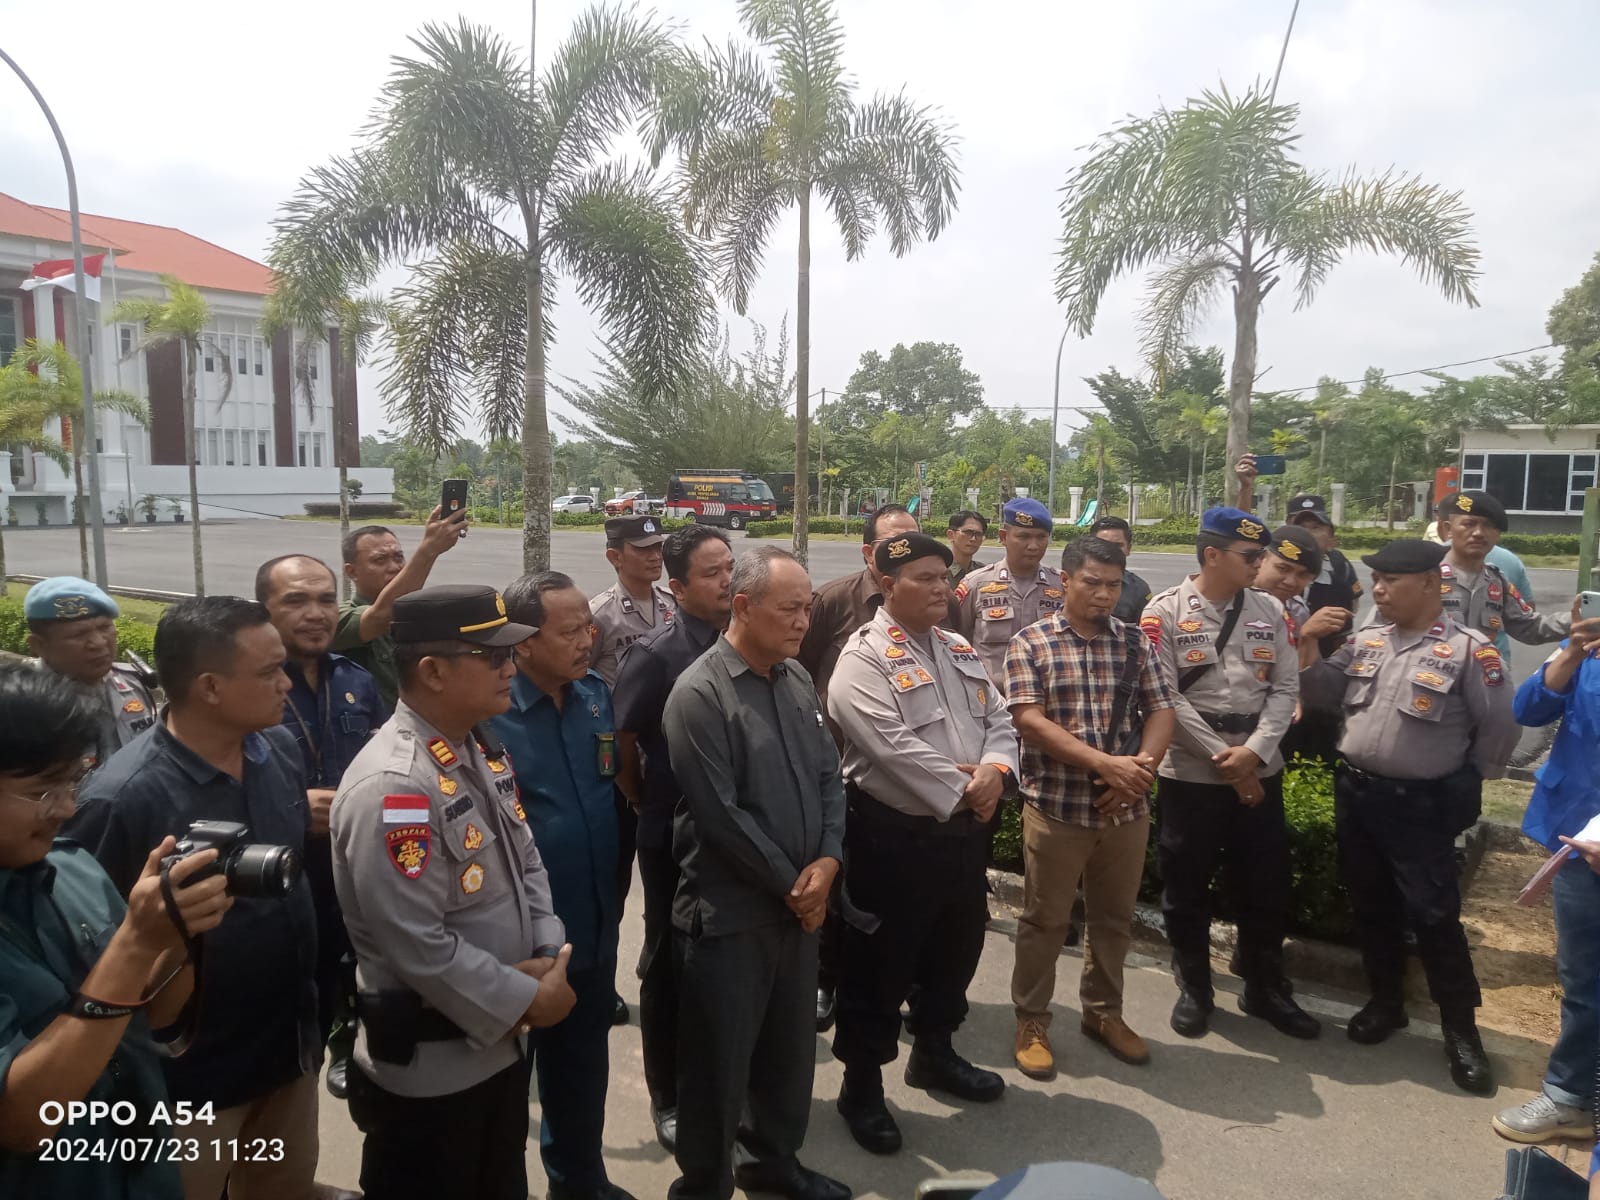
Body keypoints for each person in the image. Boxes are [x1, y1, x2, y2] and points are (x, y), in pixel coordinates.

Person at [66, 597, 325, 1200]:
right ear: (210, 686)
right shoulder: (121, 798)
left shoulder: (278, 749)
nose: (287, 684)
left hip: (287, 1053)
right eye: (270, 672)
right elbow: (84, 949)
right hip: (186, 1085)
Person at [330, 584, 577, 1200]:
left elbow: (526, 860)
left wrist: (547, 952)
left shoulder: (475, 746)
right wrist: (528, 997)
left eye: (509, 653)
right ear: (432, 671)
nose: (509, 668)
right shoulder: (396, 786)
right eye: (491, 657)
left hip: (498, 1048)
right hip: (433, 1072)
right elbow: (417, 944)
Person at [0, 664, 233, 1200]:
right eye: (41, 791)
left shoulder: (73, 868)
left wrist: (177, 933)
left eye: (71, 781)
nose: (65, 808)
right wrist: (135, 943)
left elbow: (157, 1015)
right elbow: (22, 1121)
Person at [1299, 539, 1519, 1094]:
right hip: (1358, 794)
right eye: (1375, 580)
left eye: (1390, 581)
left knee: (1434, 916)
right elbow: (1321, 692)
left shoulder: (1470, 650)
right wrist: (1306, 643)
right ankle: (1385, 1002)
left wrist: (1467, 782)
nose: (1378, 590)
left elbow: (1499, 727)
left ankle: (1461, 1031)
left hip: (1420, 806)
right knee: (1371, 905)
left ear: (1429, 583)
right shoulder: (1367, 639)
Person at [665, 546, 849, 1200]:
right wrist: (796, 887)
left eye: (808, 609)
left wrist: (828, 861)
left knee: (787, 1054)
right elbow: (722, 818)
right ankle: (704, 1184)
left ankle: (772, 1163)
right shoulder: (700, 694)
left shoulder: (795, 678)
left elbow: (829, 776)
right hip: (732, 918)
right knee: (718, 1068)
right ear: (742, 607)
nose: (802, 622)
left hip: (800, 908)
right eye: (789, 609)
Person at [825, 532, 1017, 1155]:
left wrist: (997, 771)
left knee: (954, 950)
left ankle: (935, 1052)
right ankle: (861, 1087)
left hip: (962, 838)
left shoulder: (957, 646)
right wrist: (969, 789)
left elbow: (1000, 718)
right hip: (894, 841)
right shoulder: (862, 659)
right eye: (926, 578)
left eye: (946, 577)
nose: (943, 589)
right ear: (888, 585)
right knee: (880, 964)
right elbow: (889, 747)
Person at [1140, 507, 1319, 1041]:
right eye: (1251, 555)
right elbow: (1165, 696)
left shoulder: (1270, 609)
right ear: (1212, 555)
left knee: (1264, 884)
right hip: (1191, 772)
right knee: (1186, 884)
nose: (1261, 563)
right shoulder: (1164, 612)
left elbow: (1285, 688)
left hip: (1261, 766)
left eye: (1261, 554)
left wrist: (1255, 754)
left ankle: (1264, 986)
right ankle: (1195, 987)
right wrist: (1227, 758)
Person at [1006, 536, 1176, 1080]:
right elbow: (1029, 721)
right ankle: (1032, 1020)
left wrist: (1139, 773)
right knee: (1045, 921)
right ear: (1065, 581)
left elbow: (1161, 710)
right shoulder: (1031, 642)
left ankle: (1103, 1012)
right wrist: (1107, 765)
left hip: (1125, 811)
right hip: (1057, 808)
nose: (1105, 595)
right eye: (1093, 583)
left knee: (1113, 920)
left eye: (1114, 585)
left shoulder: (1135, 642)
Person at [492, 572, 634, 1200]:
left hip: (593, 921)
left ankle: (579, 1182)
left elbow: (611, 785)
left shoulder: (596, 696)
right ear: (522, 642)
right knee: (501, 1082)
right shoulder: (488, 715)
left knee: (581, 1064)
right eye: (571, 631)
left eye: (589, 627)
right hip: (515, 937)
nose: (588, 640)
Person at [613, 525, 735, 1153]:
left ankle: (722, 1082)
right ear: (679, 589)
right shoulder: (658, 654)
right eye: (712, 573)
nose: (727, 581)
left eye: (731, 568)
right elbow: (622, 740)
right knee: (668, 962)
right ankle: (669, 1094)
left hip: (733, 835)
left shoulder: (743, 643)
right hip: (671, 834)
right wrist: (642, 799)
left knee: (722, 960)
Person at [256, 554, 384, 1100]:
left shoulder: (356, 679)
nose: (316, 613)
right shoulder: (251, 686)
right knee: (295, 967)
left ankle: (346, 1041)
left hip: (353, 855)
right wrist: (291, 809)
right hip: (279, 867)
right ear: (263, 609)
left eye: (326, 599)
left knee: (354, 953)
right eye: (296, 601)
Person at [797, 501, 919, 1031]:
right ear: (869, 552)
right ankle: (825, 978)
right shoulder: (833, 601)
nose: (907, 551)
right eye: (893, 543)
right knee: (834, 872)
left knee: (896, 883)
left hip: (908, 772)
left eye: (914, 539)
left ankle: (897, 981)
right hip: (838, 767)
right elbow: (798, 674)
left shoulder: (932, 599)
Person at [1492, 600, 1600, 1142]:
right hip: (1581, 839)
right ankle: (1570, 1098)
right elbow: (1528, 709)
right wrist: (1573, 652)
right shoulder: (1588, 648)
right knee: (1583, 978)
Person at [334, 510, 467, 712]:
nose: (395, 567)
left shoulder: (420, 619)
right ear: (351, 572)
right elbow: (380, 616)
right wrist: (429, 550)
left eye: (398, 557)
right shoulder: (339, 618)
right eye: (380, 560)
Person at [22, 576, 157, 770]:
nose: (99, 643)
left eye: (105, 627)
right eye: (79, 634)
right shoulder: (21, 704)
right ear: (38, 645)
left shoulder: (133, 682)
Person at [1251, 526, 1352, 762]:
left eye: (1303, 575)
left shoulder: (1296, 610)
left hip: (1281, 723)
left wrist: (1307, 637)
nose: (1290, 581)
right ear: (1262, 559)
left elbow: (1298, 674)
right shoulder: (1233, 601)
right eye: (1282, 568)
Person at [1435, 492, 1566, 662]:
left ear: (1497, 535)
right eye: (1469, 524)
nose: (1479, 533)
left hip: (1484, 674)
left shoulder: (1497, 581)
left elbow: (1529, 627)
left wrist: (1580, 619)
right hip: (1431, 675)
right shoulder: (1425, 575)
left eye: (1489, 526)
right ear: (1448, 529)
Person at [953, 497, 1064, 694]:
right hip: (991, 699)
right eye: (1024, 537)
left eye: (1041, 537)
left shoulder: (1062, 586)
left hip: (1046, 698)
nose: (1033, 546)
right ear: (1003, 537)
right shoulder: (976, 584)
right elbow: (955, 640)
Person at [590, 515, 678, 687]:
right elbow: (578, 676)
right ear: (615, 557)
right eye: (643, 549)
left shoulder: (673, 602)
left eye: (658, 548)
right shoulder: (600, 615)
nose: (655, 557)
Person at [1089, 516, 1152, 624]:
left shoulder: (1139, 590)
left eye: (1117, 546)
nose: (1110, 551)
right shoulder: (1071, 582)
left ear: (1128, 549)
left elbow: (1143, 631)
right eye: (1103, 544)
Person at [945, 510, 990, 587]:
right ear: (951, 535)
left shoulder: (984, 573)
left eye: (978, 534)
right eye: (968, 532)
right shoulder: (938, 572)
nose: (973, 539)